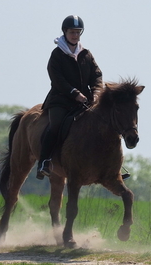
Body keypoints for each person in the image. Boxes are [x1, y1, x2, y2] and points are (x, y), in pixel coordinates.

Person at [37, 15, 103, 179]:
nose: (75, 35)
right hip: (60, 100)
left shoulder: (86, 54)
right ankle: (44, 161)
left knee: (102, 124)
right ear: (65, 32)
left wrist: (95, 93)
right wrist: (74, 93)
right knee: (56, 125)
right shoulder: (57, 54)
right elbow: (57, 79)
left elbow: (97, 76)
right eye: (72, 32)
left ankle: (107, 166)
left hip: (84, 100)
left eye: (78, 32)